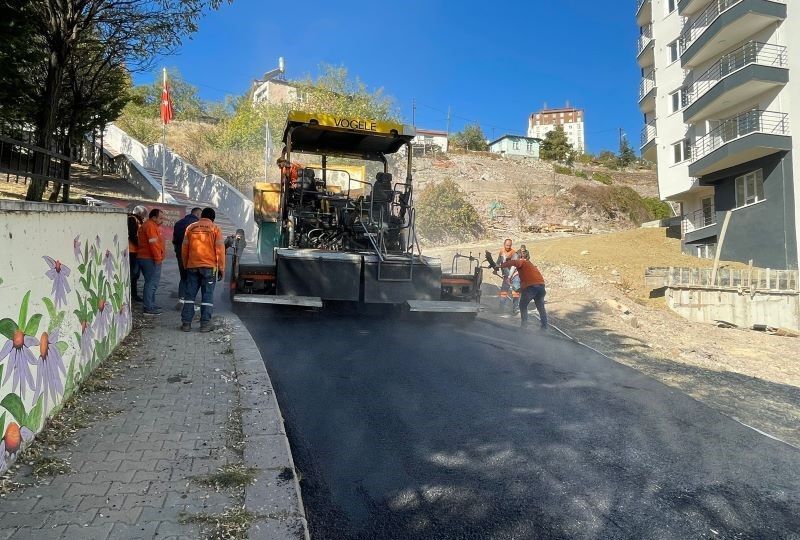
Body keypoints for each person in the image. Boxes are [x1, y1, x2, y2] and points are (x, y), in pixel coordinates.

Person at [181, 207, 225, 332]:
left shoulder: (190, 228)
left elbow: (184, 249)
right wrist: (221, 268)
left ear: (202, 216)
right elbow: (220, 251)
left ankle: (186, 323)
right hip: (209, 268)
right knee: (207, 295)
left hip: (192, 266)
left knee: (189, 295)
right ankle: (205, 324)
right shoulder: (215, 229)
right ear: (213, 218)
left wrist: (186, 265)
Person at [496, 254, 548, 330]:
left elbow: (514, 263)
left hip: (532, 288)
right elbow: (529, 282)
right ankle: (544, 327)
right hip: (541, 287)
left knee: (522, 306)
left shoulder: (522, 262)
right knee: (541, 308)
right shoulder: (530, 267)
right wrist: (519, 290)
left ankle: (524, 326)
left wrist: (501, 266)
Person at [137, 208, 165, 315]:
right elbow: (153, 245)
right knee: (151, 283)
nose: (162, 220)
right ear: (154, 217)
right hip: (149, 259)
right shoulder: (150, 226)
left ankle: (150, 305)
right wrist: (158, 259)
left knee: (151, 282)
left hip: (146, 258)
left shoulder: (151, 226)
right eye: (160, 218)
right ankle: (148, 307)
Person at [173, 207, 201, 310]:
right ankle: (189, 304)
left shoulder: (179, 223)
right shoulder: (196, 225)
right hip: (191, 255)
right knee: (192, 279)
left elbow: (174, 239)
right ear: (198, 214)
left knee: (183, 277)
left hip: (179, 253)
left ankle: (181, 299)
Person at [127, 205, 147, 302]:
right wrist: (141, 246)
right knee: (133, 275)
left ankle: (133, 295)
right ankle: (132, 295)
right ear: (139, 213)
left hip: (136, 251)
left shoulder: (138, 220)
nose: (144, 217)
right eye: (143, 215)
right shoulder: (132, 219)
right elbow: (132, 235)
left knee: (135, 275)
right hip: (132, 251)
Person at [497, 239, 518, 312]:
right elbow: (498, 261)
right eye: (507, 245)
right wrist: (495, 268)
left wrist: (509, 277)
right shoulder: (502, 251)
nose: (508, 247)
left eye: (510, 245)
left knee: (515, 292)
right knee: (503, 292)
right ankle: (501, 309)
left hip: (515, 275)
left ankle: (515, 309)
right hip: (506, 275)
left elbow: (513, 266)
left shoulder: (514, 253)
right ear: (504, 244)